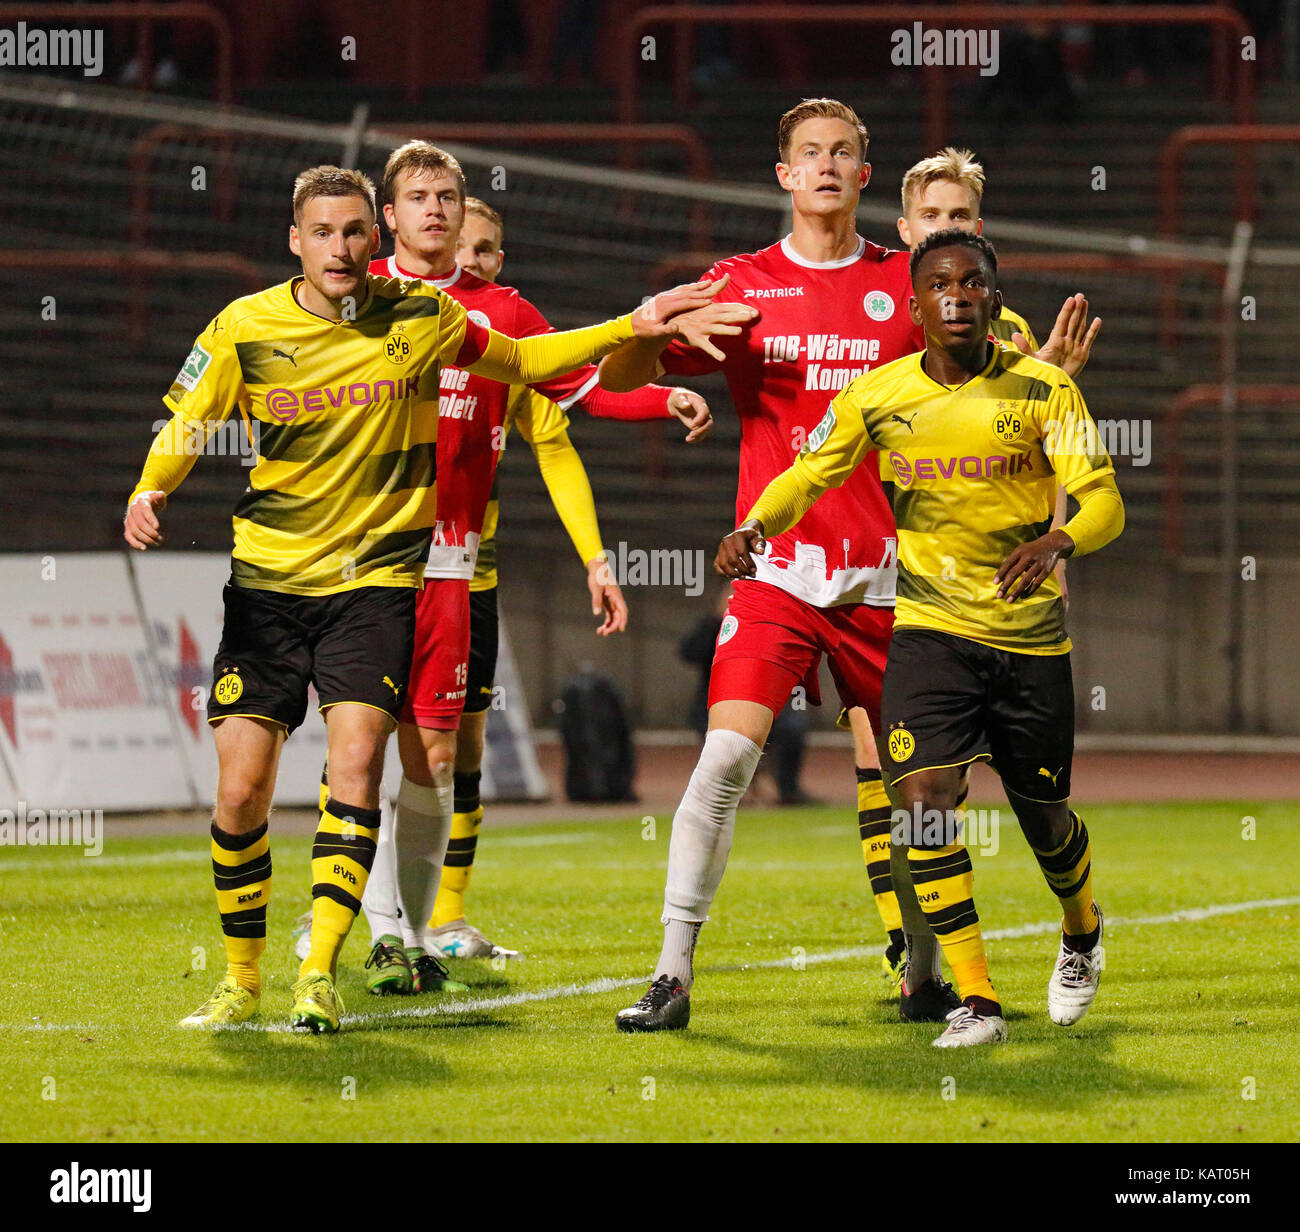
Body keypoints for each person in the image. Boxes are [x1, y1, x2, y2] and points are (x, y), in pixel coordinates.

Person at [124, 163, 747, 1033]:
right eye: (324, 232)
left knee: (376, 766)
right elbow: (190, 417)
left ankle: (348, 956)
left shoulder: (429, 318)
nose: (341, 247)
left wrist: (633, 329)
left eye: (353, 233)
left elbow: (535, 372)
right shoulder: (247, 324)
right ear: (297, 241)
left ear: (373, 240)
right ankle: (246, 974)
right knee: (241, 793)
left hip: (390, 577)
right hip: (269, 584)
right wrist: (152, 487)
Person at [602, 99, 1091, 1032]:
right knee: (724, 760)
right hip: (781, 572)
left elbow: (1010, 393)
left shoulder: (909, 289)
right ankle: (672, 975)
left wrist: (1056, 375)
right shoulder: (740, 284)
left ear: (868, 176)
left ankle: (921, 968)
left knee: (917, 796)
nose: (826, 166)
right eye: (808, 154)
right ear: (783, 175)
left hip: (893, 585)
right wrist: (649, 332)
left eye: (844, 154)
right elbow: (620, 378)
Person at [295, 145, 718, 987]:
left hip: (454, 564)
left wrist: (655, 396)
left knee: (439, 757)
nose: (436, 211)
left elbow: (572, 392)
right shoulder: (357, 293)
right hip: (362, 560)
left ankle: (417, 923)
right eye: (417, 197)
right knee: (358, 745)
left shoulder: (504, 313)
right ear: (389, 213)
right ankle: (365, 923)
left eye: (448, 196)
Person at [726, 229, 1124, 1046]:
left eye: (971, 282)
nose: (956, 294)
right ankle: (977, 1000)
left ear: (992, 302)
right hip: (931, 633)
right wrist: (755, 523)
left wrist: (1058, 541)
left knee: (1045, 816)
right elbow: (810, 472)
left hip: (1028, 641)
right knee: (924, 806)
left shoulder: (1045, 392)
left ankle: (1081, 928)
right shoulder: (879, 396)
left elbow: (1107, 502)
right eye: (939, 283)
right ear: (915, 307)